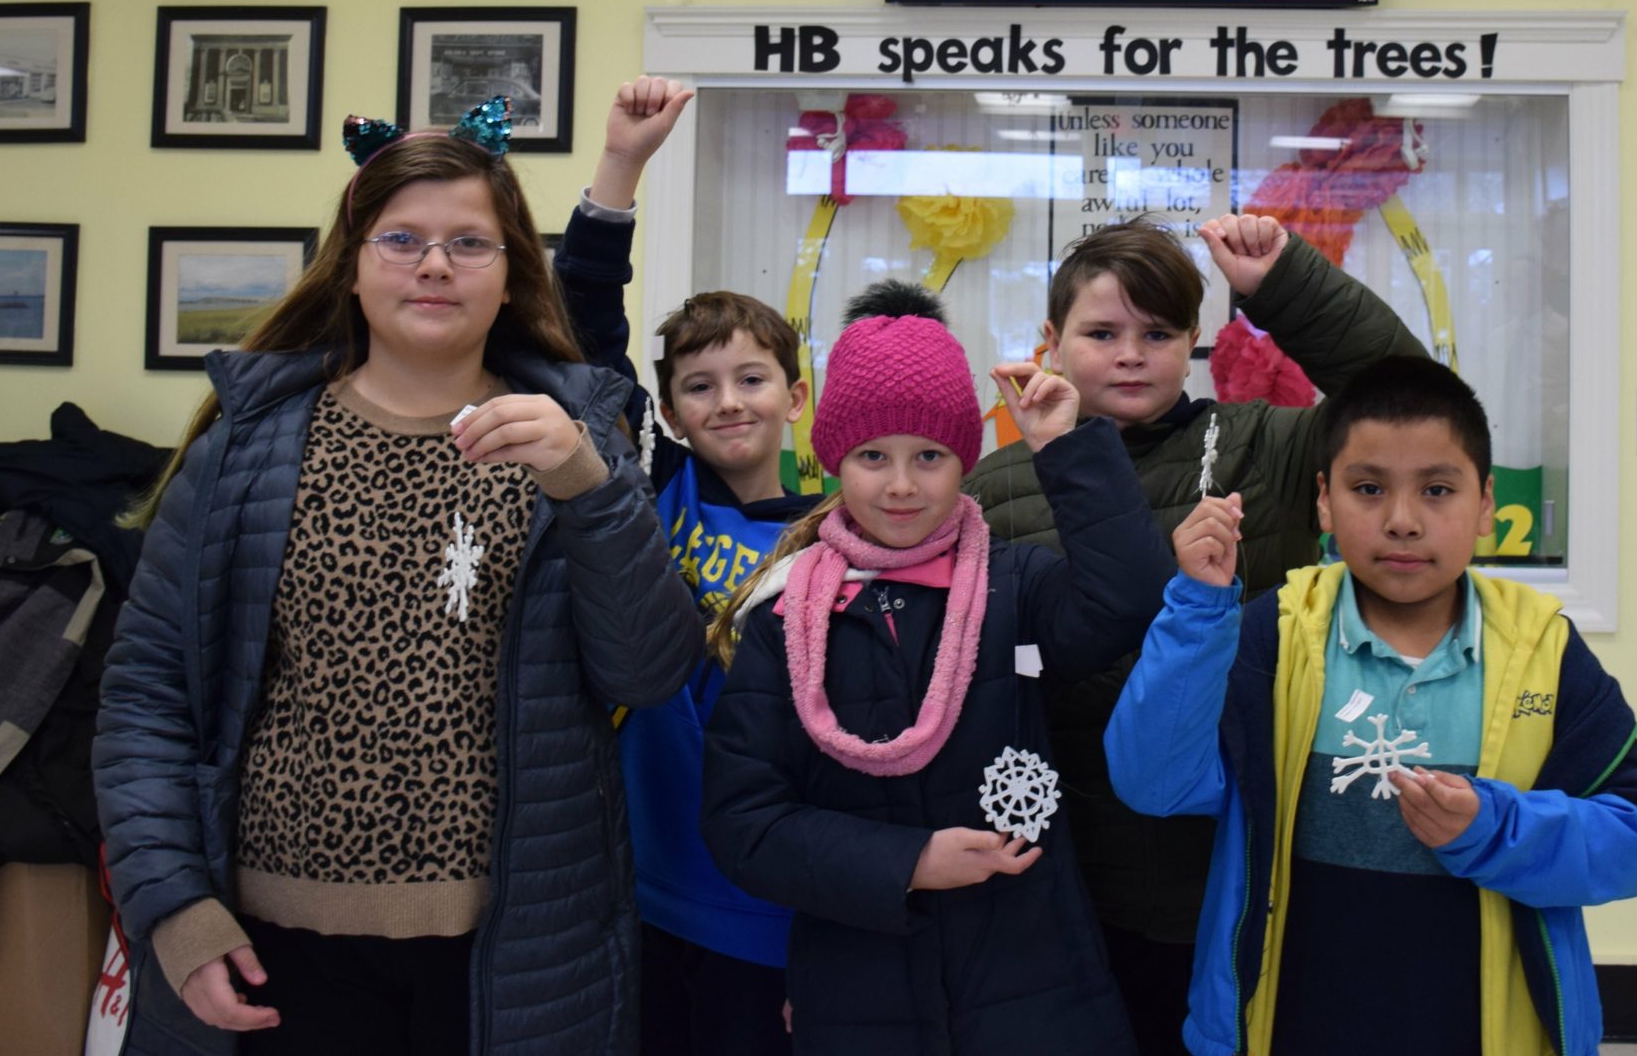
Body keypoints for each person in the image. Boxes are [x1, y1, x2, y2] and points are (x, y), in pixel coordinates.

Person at [95, 100, 702, 1056]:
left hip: (510, 957)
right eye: (403, 239)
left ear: (511, 277)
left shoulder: (575, 438)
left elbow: (650, 672)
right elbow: (147, 697)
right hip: (274, 944)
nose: (434, 264)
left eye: (470, 242)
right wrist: (171, 905)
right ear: (351, 265)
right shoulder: (247, 450)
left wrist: (589, 484)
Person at [1105, 356, 1637, 1055]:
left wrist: (1494, 827)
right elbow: (1153, 782)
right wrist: (1195, 610)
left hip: (1484, 1030)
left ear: (1486, 502)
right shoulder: (1273, 635)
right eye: (1368, 488)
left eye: (1437, 489)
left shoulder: (1543, 649)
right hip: (1291, 1025)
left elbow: (1635, 840)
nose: (1402, 520)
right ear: (1323, 500)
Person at [966, 217, 1422, 1055]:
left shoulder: (1268, 447)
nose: (1131, 353)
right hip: (1064, 877)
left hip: (1237, 865)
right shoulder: (992, 487)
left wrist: (1284, 285)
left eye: (1158, 332)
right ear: (1051, 342)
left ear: (1195, 341)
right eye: (1102, 332)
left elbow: (1409, 402)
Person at [700, 285, 1172, 1056]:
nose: (900, 485)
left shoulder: (1014, 584)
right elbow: (741, 821)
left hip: (1035, 977)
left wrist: (1065, 446)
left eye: (930, 455)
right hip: (859, 984)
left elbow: (1129, 599)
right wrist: (907, 863)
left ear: (966, 460)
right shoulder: (785, 613)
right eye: (871, 456)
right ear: (832, 458)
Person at [552, 77, 813, 1056]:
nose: (727, 402)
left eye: (752, 379)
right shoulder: (652, 486)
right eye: (698, 386)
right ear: (666, 411)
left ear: (794, 395)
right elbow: (586, 328)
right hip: (638, 875)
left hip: (763, 899)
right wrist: (621, 168)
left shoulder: (833, 530)